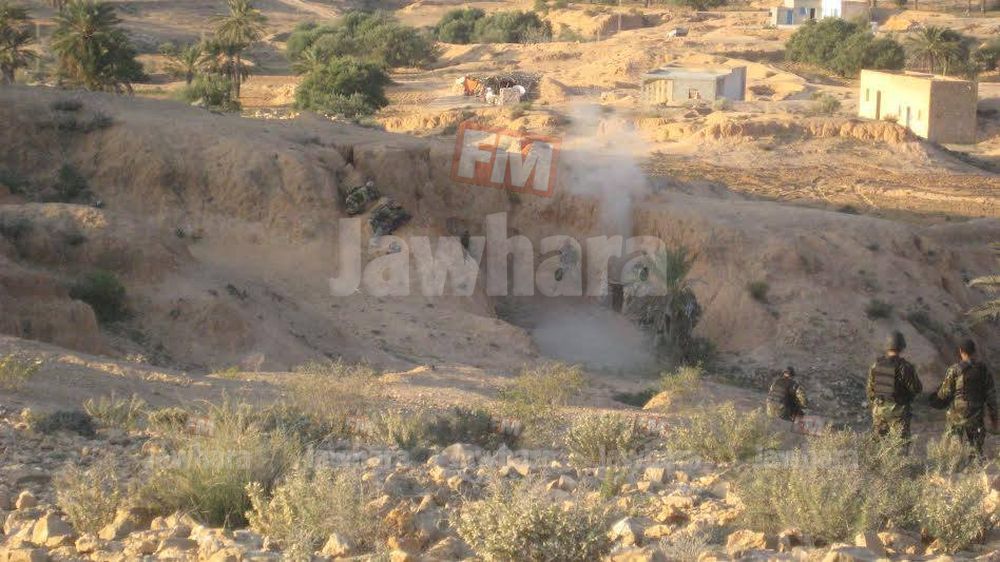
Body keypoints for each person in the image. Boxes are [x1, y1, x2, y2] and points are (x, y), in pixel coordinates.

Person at [932, 339, 998, 456]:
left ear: (961, 351)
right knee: (976, 449)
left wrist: (935, 398)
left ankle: (955, 458)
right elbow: (991, 397)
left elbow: (944, 393)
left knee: (953, 448)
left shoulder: (954, 369)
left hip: (956, 414)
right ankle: (975, 460)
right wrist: (994, 419)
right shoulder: (983, 370)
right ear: (974, 352)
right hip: (976, 414)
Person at [867, 330, 923, 442]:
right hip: (898, 412)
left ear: (887, 346)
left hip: (880, 411)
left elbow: (870, 390)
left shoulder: (876, 365)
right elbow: (917, 388)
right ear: (901, 347)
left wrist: (877, 406)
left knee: (879, 446)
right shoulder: (905, 367)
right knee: (899, 446)